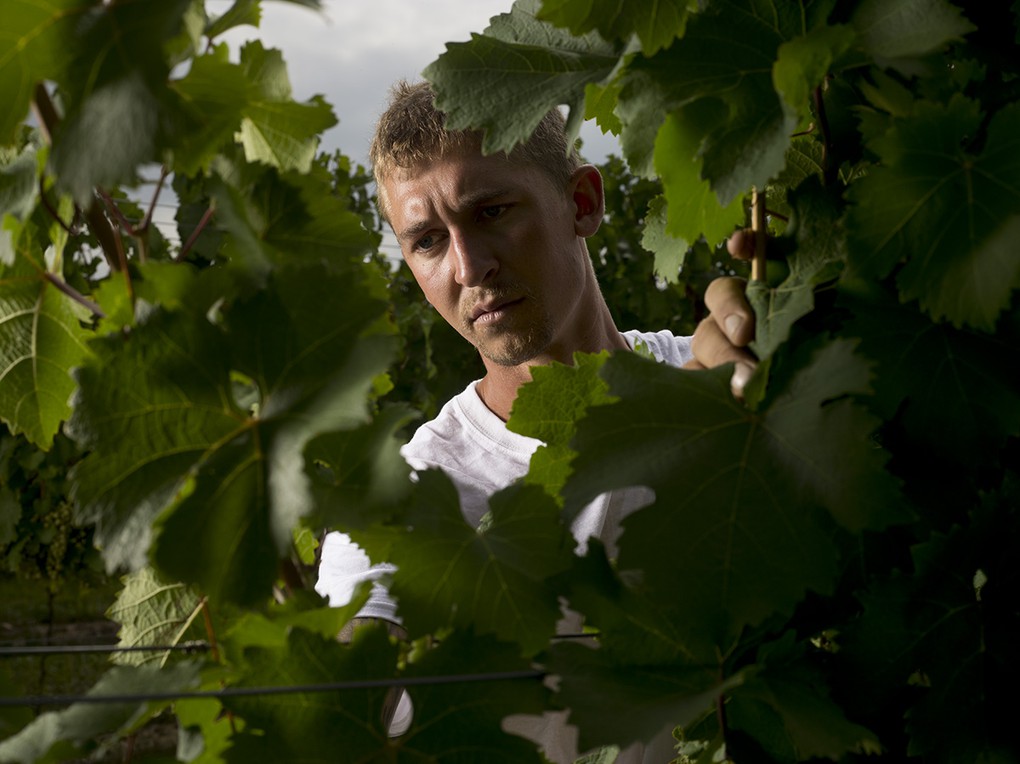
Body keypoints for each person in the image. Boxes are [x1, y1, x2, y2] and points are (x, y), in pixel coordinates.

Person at [316, 80, 756, 763]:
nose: (470, 268)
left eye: (491, 212)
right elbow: (338, 702)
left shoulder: (712, 386)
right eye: (428, 241)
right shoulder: (402, 498)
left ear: (581, 202)